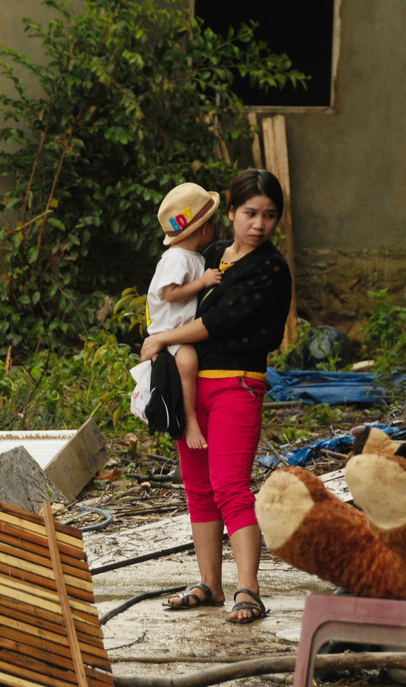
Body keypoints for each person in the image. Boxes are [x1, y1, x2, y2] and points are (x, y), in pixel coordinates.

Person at [142, 168, 292, 624]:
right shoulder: (208, 255)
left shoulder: (269, 267)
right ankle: (210, 583)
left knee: (230, 487)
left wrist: (163, 340)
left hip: (236, 383)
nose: (258, 224)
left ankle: (249, 589)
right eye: (249, 213)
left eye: (269, 215)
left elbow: (219, 322)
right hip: (191, 385)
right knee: (198, 489)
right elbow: (171, 298)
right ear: (229, 213)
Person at [146, 183, 223, 449]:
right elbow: (170, 293)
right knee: (188, 363)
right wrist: (202, 283)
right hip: (170, 330)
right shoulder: (176, 258)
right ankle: (190, 422)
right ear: (204, 228)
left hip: (181, 328)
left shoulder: (192, 256)